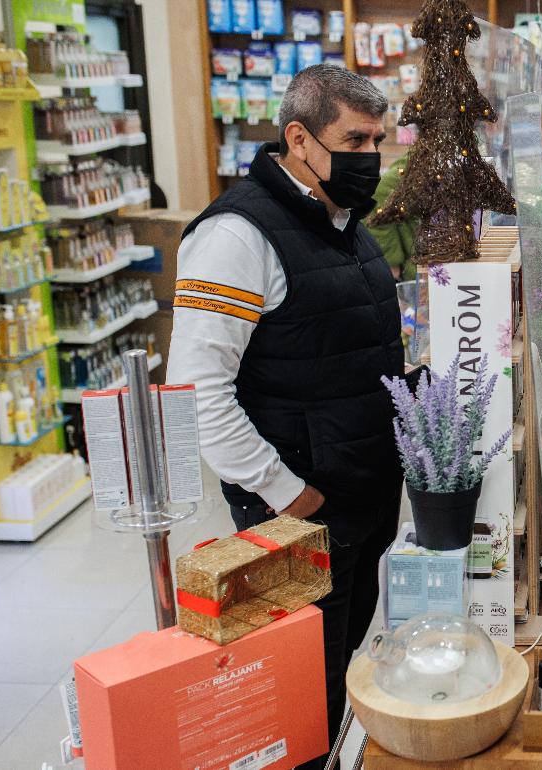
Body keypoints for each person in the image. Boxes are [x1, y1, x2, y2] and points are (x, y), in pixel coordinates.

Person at [166, 65, 403, 766]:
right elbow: (198, 390)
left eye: (378, 139)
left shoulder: (340, 222)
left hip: (355, 505)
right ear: (299, 139)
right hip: (299, 515)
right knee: (299, 696)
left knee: (336, 677)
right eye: (355, 139)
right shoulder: (238, 236)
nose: (371, 156)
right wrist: (287, 494)